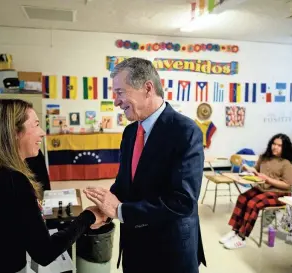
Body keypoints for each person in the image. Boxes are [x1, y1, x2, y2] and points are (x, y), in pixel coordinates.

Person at [84, 57, 206, 273]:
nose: (116, 102)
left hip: (171, 252)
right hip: (134, 247)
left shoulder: (185, 131)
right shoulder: (130, 132)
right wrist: (105, 208)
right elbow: (124, 185)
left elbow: (183, 201)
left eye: (120, 92)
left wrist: (121, 211)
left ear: (147, 88)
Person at [0, 99, 107, 273]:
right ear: (15, 132)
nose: (42, 133)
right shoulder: (14, 181)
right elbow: (44, 252)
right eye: (35, 125)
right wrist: (88, 216)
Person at [220, 133, 292, 249]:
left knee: (253, 203)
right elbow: (257, 171)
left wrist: (267, 179)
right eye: (274, 144)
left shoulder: (288, 163)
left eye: (279, 145)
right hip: (263, 188)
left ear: (285, 148)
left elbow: (287, 185)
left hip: (280, 194)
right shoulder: (265, 157)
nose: (275, 147)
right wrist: (248, 169)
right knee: (242, 198)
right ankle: (235, 230)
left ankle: (241, 237)